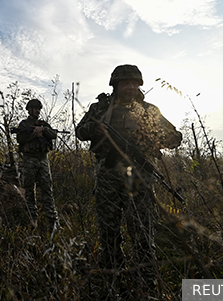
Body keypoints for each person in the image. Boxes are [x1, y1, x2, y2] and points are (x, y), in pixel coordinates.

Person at [75, 65, 182, 297]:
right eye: (125, 83)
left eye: (135, 83)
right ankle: (113, 281)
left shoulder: (149, 110)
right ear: (115, 85)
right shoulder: (101, 107)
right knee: (108, 230)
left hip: (140, 178)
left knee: (142, 231)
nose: (131, 87)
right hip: (107, 176)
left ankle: (147, 284)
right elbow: (79, 131)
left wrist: (152, 135)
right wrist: (95, 127)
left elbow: (175, 138)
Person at [16, 99, 59, 232]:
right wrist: (33, 135)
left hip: (43, 160)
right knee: (29, 190)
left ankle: (52, 220)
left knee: (47, 189)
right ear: (29, 110)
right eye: (35, 108)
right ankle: (32, 218)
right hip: (29, 160)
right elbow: (20, 139)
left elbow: (54, 134)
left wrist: (43, 130)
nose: (37, 111)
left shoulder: (43, 124)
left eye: (39, 109)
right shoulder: (24, 124)